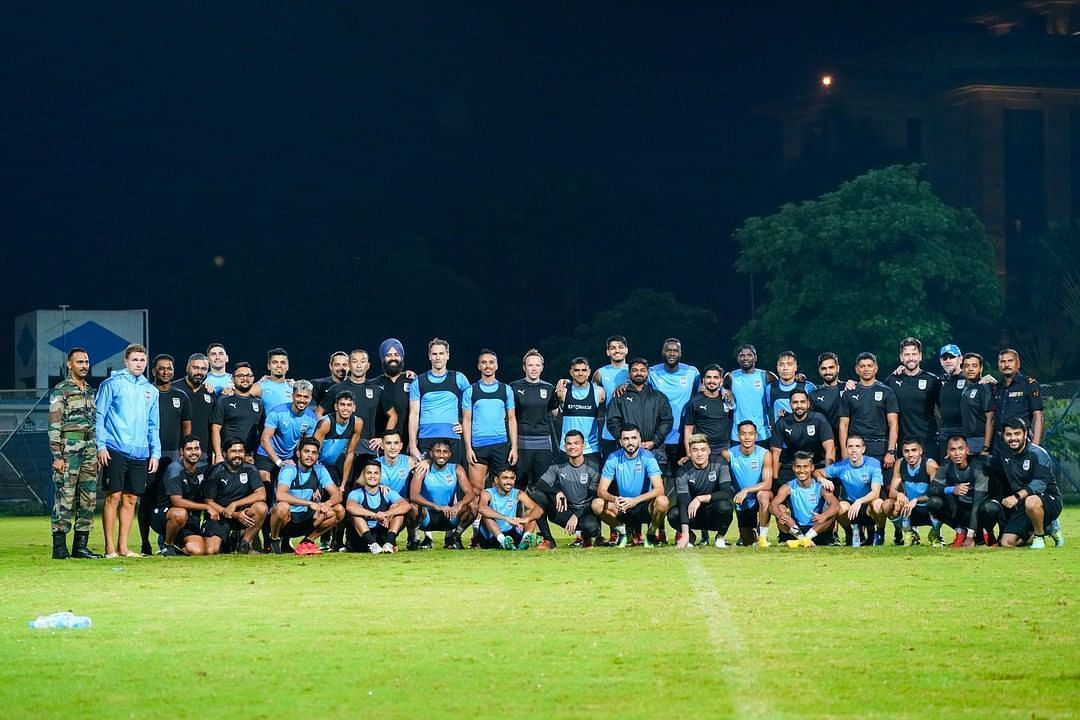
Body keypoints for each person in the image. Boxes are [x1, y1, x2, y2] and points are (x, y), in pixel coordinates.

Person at [96, 343, 161, 559]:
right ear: (126, 361)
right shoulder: (112, 384)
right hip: (115, 447)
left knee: (131, 499)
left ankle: (123, 547)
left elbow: (154, 424)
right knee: (113, 497)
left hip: (140, 452)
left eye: (142, 360)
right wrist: (101, 445)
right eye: (134, 360)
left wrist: (155, 453)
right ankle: (109, 548)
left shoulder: (151, 390)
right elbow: (99, 416)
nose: (138, 364)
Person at [48, 347, 102, 559]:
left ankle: (80, 547)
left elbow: (94, 424)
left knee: (88, 498)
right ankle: (59, 548)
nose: (84, 366)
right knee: (65, 498)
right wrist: (57, 456)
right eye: (80, 362)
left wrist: (96, 450)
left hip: (89, 449)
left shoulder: (90, 391)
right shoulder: (61, 390)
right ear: (69, 365)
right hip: (69, 449)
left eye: (86, 362)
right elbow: (54, 424)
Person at [140, 353, 191, 555]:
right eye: (161, 368)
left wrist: (183, 455)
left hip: (173, 457)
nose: (165, 372)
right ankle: (145, 542)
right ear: (153, 371)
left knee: (173, 499)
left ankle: (168, 540)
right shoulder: (145, 393)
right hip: (149, 454)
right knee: (147, 499)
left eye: (169, 368)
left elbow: (186, 428)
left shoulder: (181, 396)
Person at [593, 425, 668, 547]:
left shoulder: (648, 457)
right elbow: (601, 491)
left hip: (643, 505)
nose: (630, 442)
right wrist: (615, 499)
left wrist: (634, 501)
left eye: (633, 438)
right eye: (626, 439)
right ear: (621, 442)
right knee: (597, 504)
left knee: (663, 501)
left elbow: (659, 489)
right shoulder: (613, 458)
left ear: (639, 439)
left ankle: (651, 533)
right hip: (622, 505)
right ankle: (622, 532)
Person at [997, 418, 1065, 549]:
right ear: (1003, 436)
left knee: (1031, 501)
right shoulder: (1004, 454)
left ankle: (1039, 536)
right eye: (1009, 434)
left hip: (1049, 500)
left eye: (1017, 434)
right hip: (1023, 505)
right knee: (1007, 542)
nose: (1013, 438)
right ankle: (1046, 528)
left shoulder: (1038, 453)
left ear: (1025, 434)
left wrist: (1016, 497)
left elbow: (1039, 484)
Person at [269, 437, 344, 555]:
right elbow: (280, 495)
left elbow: (337, 495)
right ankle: (274, 539)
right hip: (286, 520)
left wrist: (326, 504)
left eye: (314, 453)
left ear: (318, 456)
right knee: (282, 507)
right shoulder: (289, 469)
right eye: (306, 451)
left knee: (339, 510)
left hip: (306, 518)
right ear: (298, 453)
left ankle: (307, 542)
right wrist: (310, 503)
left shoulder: (320, 469)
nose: (310, 456)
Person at [317, 348, 396, 455]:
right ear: (349, 365)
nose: (358, 365)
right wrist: (327, 435)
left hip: (367, 446)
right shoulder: (336, 389)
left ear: (368, 366)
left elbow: (393, 415)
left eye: (362, 362)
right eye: (354, 362)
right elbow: (318, 412)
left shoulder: (377, 390)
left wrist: (384, 438)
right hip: (341, 446)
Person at [531, 430, 602, 547]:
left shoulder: (593, 468)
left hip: (584, 512)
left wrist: (576, 515)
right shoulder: (558, 465)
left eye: (576, 443)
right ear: (564, 446)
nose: (572, 447)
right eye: (569, 444)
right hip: (565, 511)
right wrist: (557, 492)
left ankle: (586, 538)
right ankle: (548, 540)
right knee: (537, 496)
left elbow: (594, 497)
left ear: (583, 446)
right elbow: (540, 484)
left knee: (591, 528)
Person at [926, 436, 1000, 548]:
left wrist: (970, 537)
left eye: (960, 448)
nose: (957, 453)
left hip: (980, 510)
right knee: (933, 502)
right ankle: (960, 531)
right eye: (953, 449)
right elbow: (931, 490)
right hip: (961, 511)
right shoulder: (946, 466)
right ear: (948, 452)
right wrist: (952, 489)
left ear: (967, 450)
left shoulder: (978, 468)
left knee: (991, 508)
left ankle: (987, 533)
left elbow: (977, 502)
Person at [462, 349, 517, 495]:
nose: (488, 366)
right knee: (476, 489)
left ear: (497, 365)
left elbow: (512, 419)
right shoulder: (470, 391)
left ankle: (497, 518)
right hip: (478, 446)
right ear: (478, 366)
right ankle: (477, 518)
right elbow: (466, 421)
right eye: (484, 363)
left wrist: (514, 447)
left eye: (491, 362)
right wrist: (468, 448)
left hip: (500, 445)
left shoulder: (506, 390)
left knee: (501, 488)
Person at [816, 435, 887, 546]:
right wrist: (822, 479)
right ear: (847, 449)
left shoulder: (873, 464)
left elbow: (875, 492)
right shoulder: (841, 466)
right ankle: (849, 533)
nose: (854, 450)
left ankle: (879, 531)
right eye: (850, 447)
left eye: (857, 446)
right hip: (850, 505)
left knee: (879, 504)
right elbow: (816, 472)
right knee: (839, 508)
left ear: (863, 449)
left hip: (867, 504)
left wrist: (860, 501)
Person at [201, 438, 267, 555]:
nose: (237, 455)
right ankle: (227, 542)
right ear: (225, 453)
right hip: (220, 517)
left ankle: (244, 543)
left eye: (240, 451)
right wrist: (234, 514)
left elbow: (261, 494)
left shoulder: (250, 469)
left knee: (261, 507)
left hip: (243, 515)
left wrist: (235, 504)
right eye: (233, 451)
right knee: (211, 550)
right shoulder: (215, 471)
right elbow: (208, 502)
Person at [408, 338, 470, 464]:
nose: (438, 357)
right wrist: (413, 445)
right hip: (426, 438)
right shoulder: (418, 381)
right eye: (434, 354)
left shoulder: (459, 378)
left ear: (448, 355)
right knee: (424, 477)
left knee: (452, 478)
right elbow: (413, 415)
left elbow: (472, 406)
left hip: (452, 437)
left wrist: (463, 424)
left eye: (441, 354)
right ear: (429, 356)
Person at [648, 338, 701, 480]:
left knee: (684, 480)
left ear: (680, 353)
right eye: (668, 350)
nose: (672, 353)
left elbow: (703, 393)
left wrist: (724, 390)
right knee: (658, 480)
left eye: (675, 350)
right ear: (662, 352)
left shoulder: (692, 373)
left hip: (683, 436)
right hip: (659, 437)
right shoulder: (651, 372)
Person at [151, 434, 213, 556]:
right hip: (164, 515)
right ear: (181, 452)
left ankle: (177, 544)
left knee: (198, 551)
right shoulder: (174, 469)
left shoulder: (203, 468)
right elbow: (177, 501)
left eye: (196, 448)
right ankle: (166, 544)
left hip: (188, 519)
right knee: (180, 513)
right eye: (189, 449)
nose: (194, 452)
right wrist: (206, 507)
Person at [408, 438, 475, 549]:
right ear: (431, 453)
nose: (441, 455)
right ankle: (414, 539)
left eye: (445, 452)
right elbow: (414, 495)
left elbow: (470, 493)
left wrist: (458, 505)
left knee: (473, 505)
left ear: (450, 454)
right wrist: (435, 506)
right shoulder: (423, 469)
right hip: (427, 516)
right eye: (438, 451)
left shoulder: (456, 469)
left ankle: (454, 537)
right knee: (412, 507)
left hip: (449, 515)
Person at [671, 434, 734, 549]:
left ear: (709, 451)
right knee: (673, 514)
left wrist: (700, 498)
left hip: (714, 513)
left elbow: (726, 492)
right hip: (693, 514)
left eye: (703, 450)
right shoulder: (682, 472)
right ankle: (690, 537)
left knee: (725, 506)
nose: (699, 454)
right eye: (695, 450)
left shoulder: (720, 463)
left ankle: (720, 537)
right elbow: (683, 501)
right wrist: (684, 533)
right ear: (689, 452)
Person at [838, 352, 899, 470]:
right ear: (857, 369)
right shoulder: (849, 393)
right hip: (857, 448)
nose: (866, 369)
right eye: (862, 366)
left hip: (881, 447)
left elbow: (894, 424)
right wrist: (845, 453)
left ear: (876, 368)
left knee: (886, 486)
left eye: (869, 366)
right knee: (858, 487)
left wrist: (891, 452)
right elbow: (843, 425)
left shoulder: (887, 392)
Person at [509, 349, 559, 493]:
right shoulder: (514, 387)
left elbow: (557, 415)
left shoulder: (549, 388)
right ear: (524, 367)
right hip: (521, 443)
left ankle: (540, 516)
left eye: (537, 365)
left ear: (542, 367)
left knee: (542, 485)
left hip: (543, 443)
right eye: (530, 365)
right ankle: (516, 515)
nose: (534, 368)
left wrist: (562, 398)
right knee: (518, 485)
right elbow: (508, 415)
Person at [770, 452, 840, 548]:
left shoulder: (820, 487)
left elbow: (836, 505)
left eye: (805, 467)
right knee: (780, 508)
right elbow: (773, 505)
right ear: (793, 468)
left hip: (817, 527)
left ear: (812, 468)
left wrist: (824, 516)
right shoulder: (787, 487)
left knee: (830, 512)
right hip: (796, 528)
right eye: (798, 467)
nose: (802, 470)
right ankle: (802, 539)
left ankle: (806, 539)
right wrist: (779, 514)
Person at [722, 421, 774, 547]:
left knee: (764, 495)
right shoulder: (728, 454)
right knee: (748, 541)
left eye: (750, 434)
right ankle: (752, 534)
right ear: (737, 436)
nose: (747, 437)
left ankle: (762, 537)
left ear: (756, 436)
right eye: (743, 434)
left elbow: (767, 483)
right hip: (742, 500)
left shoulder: (765, 454)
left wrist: (746, 490)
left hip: (756, 496)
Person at [885, 338, 940, 458]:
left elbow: (944, 409)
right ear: (901, 357)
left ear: (920, 356)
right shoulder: (892, 380)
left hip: (928, 441)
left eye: (914, 354)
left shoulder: (933, 381)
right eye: (907, 354)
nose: (910, 358)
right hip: (903, 444)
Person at [769, 388, 835, 484]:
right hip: (791, 466)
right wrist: (774, 480)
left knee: (828, 489)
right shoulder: (782, 423)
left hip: (815, 466)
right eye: (795, 402)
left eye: (802, 402)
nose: (799, 406)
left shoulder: (819, 420)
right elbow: (775, 452)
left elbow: (830, 449)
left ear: (808, 403)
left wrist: (828, 474)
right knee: (780, 491)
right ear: (790, 404)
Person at [345, 458, 411, 553]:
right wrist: (375, 515)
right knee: (356, 513)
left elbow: (406, 506)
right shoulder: (356, 493)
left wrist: (387, 514)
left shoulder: (387, 492)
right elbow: (350, 507)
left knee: (397, 510)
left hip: (382, 536)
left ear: (380, 476)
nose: (372, 476)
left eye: (376, 473)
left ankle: (389, 543)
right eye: (369, 473)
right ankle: (372, 544)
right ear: (363, 475)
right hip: (362, 539)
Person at [888, 438, 940, 546]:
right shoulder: (900, 463)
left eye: (914, 450)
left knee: (938, 503)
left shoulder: (930, 465)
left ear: (920, 451)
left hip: (928, 508)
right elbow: (892, 491)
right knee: (887, 505)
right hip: (909, 509)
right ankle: (909, 532)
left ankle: (935, 533)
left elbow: (935, 493)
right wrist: (899, 494)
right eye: (906, 451)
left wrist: (916, 500)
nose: (910, 454)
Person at [555, 356, 605, 468]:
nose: (580, 373)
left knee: (593, 484)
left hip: (591, 449)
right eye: (577, 370)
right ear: (571, 372)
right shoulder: (563, 392)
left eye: (584, 370)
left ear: (589, 372)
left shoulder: (599, 392)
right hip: (568, 448)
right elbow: (557, 417)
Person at [209, 362, 263, 464]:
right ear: (233, 379)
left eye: (248, 376)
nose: (245, 378)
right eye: (240, 376)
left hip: (249, 457)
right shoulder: (223, 401)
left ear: (253, 379)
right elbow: (215, 429)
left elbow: (260, 431)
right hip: (227, 456)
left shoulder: (258, 403)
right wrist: (218, 455)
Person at [477, 467, 542, 550]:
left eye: (512, 478)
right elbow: (482, 509)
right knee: (486, 516)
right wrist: (506, 518)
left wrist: (526, 519)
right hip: (491, 537)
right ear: (496, 480)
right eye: (505, 478)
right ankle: (503, 541)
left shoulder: (518, 493)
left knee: (531, 513)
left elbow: (538, 509)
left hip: (511, 535)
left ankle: (525, 539)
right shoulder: (487, 493)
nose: (509, 482)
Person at [724, 344, 775, 445]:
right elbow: (717, 390)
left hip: (762, 433)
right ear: (738, 358)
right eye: (742, 355)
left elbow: (784, 387)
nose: (745, 358)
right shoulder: (730, 377)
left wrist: (797, 379)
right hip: (738, 434)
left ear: (755, 357)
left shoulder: (766, 376)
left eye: (749, 355)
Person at [312, 389, 364, 489]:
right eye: (342, 404)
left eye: (349, 405)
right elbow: (313, 453)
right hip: (317, 466)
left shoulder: (357, 423)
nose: (345, 408)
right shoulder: (325, 424)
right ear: (336, 407)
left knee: (339, 496)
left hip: (332, 467)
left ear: (354, 408)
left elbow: (350, 452)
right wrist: (314, 484)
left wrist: (343, 484)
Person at [991, 348, 1044, 445]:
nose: (1006, 365)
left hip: (1020, 440)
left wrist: (1036, 445)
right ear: (998, 365)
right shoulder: (996, 387)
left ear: (1018, 363)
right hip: (998, 442)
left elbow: (1038, 415)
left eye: (1010, 361)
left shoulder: (1029, 384)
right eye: (1002, 361)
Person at [682, 364, 731, 464]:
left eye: (715, 377)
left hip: (724, 449)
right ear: (703, 380)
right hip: (702, 450)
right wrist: (689, 454)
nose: (712, 381)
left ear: (721, 381)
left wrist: (726, 391)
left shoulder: (728, 399)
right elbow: (688, 430)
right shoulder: (694, 402)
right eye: (708, 377)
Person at [368, 338, 412, 441]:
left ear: (402, 357)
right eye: (388, 355)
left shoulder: (413, 382)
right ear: (382, 358)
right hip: (380, 444)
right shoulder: (373, 384)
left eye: (396, 355)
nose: (393, 358)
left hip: (408, 444)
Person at [593, 335, 630, 457]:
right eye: (613, 348)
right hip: (609, 430)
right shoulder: (600, 373)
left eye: (620, 347)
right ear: (608, 352)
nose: (617, 350)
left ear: (626, 350)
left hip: (632, 428)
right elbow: (588, 394)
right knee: (609, 468)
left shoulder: (634, 371)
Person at [173, 353, 215, 456]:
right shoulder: (174, 389)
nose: (199, 372)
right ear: (187, 368)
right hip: (176, 452)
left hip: (203, 453)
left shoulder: (210, 393)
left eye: (204, 369)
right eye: (195, 368)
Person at [764, 350, 815, 426]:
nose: (785, 368)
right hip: (779, 436)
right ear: (777, 368)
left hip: (804, 435)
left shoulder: (808, 387)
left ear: (795, 367)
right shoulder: (770, 389)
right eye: (781, 365)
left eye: (789, 364)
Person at [959, 353, 994, 455]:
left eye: (974, 366)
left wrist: (986, 447)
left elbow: (990, 418)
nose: (970, 369)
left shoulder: (985, 388)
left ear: (981, 368)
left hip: (980, 440)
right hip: (967, 441)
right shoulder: (965, 388)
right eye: (967, 366)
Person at [811, 352, 844, 438]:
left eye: (831, 367)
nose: (827, 371)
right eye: (824, 368)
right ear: (819, 370)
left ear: (838, 368)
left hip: (849, 443)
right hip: (823, 443)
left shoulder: (849, 388)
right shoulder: (814, 394)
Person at [254, 347, 293, 412]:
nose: (279, 365)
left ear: (287, 366)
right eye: (275, 362)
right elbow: (241, 396)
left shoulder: (293, 387)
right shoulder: (261, 386)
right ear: (268, 366)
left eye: (283, 362)